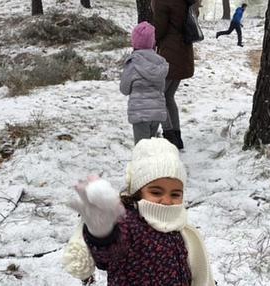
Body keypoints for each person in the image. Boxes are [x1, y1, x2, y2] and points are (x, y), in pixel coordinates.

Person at [62, 138, 215, 285]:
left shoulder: (178, 226)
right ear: (138, 191)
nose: (167, 201)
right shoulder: (129, 223)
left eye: (175, 194)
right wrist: (103, 234)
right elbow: (108, 255)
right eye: (156, 192)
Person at [152, 0, 196, 150]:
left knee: (160, 97)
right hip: (183, 51)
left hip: (169, 54)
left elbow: (159, 30)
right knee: (168, 95)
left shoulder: (162, 2)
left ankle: (170, 136)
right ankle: (176, 136)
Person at [120, 21, 169, 145]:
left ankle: (142, 165)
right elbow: (161, 88)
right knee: (151, 147)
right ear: (153, 42)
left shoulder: (133, 63)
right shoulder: (159, 62)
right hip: (156, 113)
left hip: (139, 113)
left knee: (142, 149)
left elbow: (124, 89)